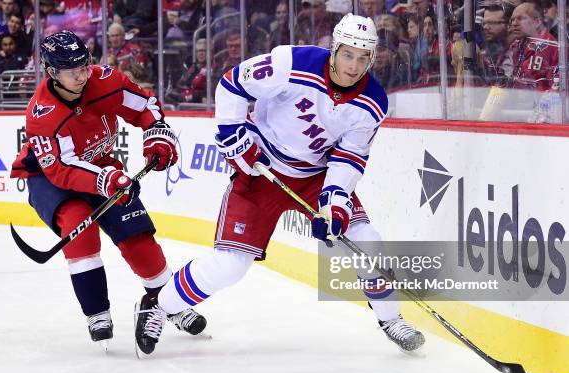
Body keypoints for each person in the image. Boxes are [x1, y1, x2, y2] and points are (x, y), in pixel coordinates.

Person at [133, 13, 425, 355]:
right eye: (347, 54)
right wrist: (233, 133)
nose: (354, 65)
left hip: (314, 177)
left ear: (372, 58)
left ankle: (391, 318)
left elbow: (349, 157)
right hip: (262, 170)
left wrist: (334, 202)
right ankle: (158, 305)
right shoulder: (293, 62)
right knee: (229, 266)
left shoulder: (373, 102)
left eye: (363, 57)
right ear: (334, 49)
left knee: (367, 240)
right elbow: (232, 83)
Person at [9, 30, 206, 350]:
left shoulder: (105, 80)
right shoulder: (41, 114)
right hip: (48, 177)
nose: (82, 74)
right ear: (52, 73)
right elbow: (61, 168)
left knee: (136, 232)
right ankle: (97, 311)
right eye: (72, 71)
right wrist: (106, 179)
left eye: (84, 66)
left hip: (100, 165)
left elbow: (145, 105)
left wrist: (157, 133)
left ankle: (167, 300)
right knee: (78, 225)